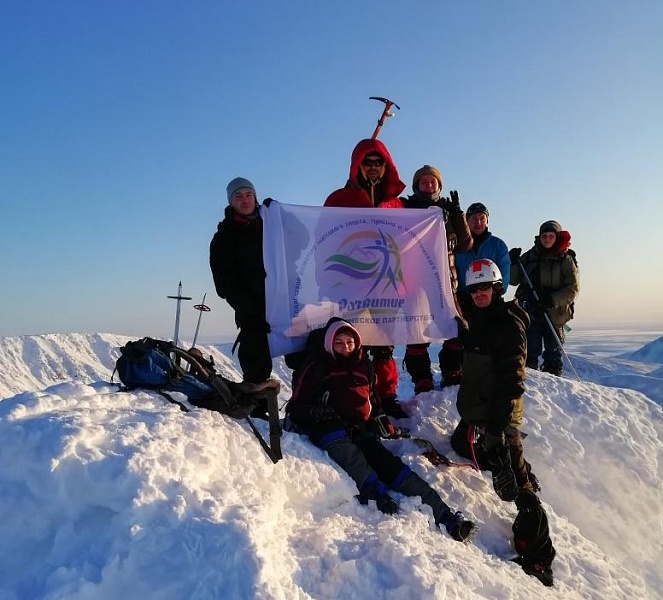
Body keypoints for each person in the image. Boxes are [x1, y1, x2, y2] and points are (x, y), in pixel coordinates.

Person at [286, 317, 476, 542]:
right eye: (339, 343)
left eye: (349, 342)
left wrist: (380, 419)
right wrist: (316, 413)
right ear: (329, 344)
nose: (345, 348)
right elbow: (295, 406)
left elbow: (373, 400)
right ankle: (376, 494)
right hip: (329, 430)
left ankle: (446, 516)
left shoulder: (364, 365)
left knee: (393, 467)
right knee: (352, 458)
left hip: (360, 429)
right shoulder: (316, 368)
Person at [449, 259, 556, 586]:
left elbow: (511, 383)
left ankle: (539, 558)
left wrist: (495, 432)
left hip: (499, 414)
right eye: (474, 289)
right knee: (460, 444)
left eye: (485, 287)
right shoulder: (479, 318)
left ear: (497, 288)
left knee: (515, 484)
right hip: (478, 411)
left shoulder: (508, 324)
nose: (479, 293)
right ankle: (503, 460)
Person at [324, 138, 407, 418]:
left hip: (386, 282)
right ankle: (358, 398)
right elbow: (323, 239)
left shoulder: (394, 204)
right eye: (367, 162)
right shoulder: (338, 199)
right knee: (353, 345)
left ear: (386, 167)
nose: (373, 167)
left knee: (384, 344)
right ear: (357, 165)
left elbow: (405, 242)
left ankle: (387, 396)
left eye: (378, 162)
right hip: (350, 283)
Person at [401, 165, 472, 393]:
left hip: (447, 284)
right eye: (424, 182)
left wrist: (458, 215)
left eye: (433, 182)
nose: (429, 185)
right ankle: (422, 378)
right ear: (416, 186)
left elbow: (464, 245)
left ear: (439, 186)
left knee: (457, 328)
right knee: (417, 333)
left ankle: (452, 370)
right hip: (415, 284)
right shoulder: (405, 208)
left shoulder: (448, 212)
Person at [209, 177, 272, 385]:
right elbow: (224, 283)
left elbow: (302, 242)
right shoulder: (224, 238)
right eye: (238, 196)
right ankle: (257, 410)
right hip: (251, 309)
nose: (245, 200)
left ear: (256, 197)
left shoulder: (273, 226)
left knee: (300, 355)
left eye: (248, 195)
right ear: (230, 202)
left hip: (284, 302)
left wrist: (282, 214)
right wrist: (247, 308)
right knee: (256, 360)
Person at [441, 202, 510, 386]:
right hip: (463, 296)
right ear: (467, 221)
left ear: (487, 220)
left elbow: (504, 273)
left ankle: (491, 369)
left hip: (490, 297)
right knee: (457, 333)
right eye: (473, 219)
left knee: (490, 335)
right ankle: (452, 371)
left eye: (482, 218)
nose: (478, 222)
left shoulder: (497, 245)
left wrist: (494, 293)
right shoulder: (458, 244)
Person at [509, 220, 579, 376]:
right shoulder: (531, 256)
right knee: (530, 349)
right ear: (539, 237)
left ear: (557, 237)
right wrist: (513, 263)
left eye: (551, 236)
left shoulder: (565, 259)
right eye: (544, 236)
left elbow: (572, 289)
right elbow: (514, 280)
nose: (547, 239)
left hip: (555, 314)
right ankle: (531, 381)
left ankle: (554, 381)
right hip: (531, 311)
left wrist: (552, 300)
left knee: (553, 352)